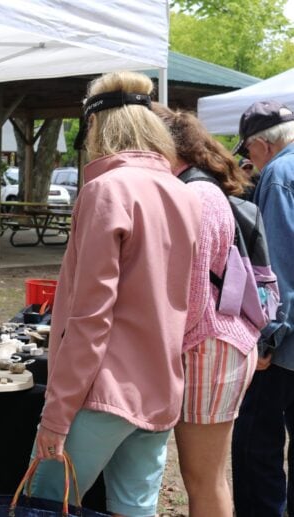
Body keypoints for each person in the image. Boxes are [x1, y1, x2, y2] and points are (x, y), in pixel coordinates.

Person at [30, 71, 202, 517]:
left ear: (96, 126)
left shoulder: (107, 189)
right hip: (160, 387)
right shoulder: (182, 194)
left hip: (101, 391)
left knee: (48, 505)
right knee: (135, 508)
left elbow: (90, 315)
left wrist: (56, 413)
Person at [153, 104, 259, 516]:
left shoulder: (194, 193)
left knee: (204, 480)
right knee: (207, 478)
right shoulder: (201, 187)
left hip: (209, 348)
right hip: (218, 344)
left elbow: (193, 298)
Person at [231, 100, 294, 516]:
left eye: (247, 151)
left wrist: (267, 341)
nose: (247, 161)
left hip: (286, 345)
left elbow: (279, 269)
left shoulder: (278, 175)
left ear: (261, 144)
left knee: (256, 445)